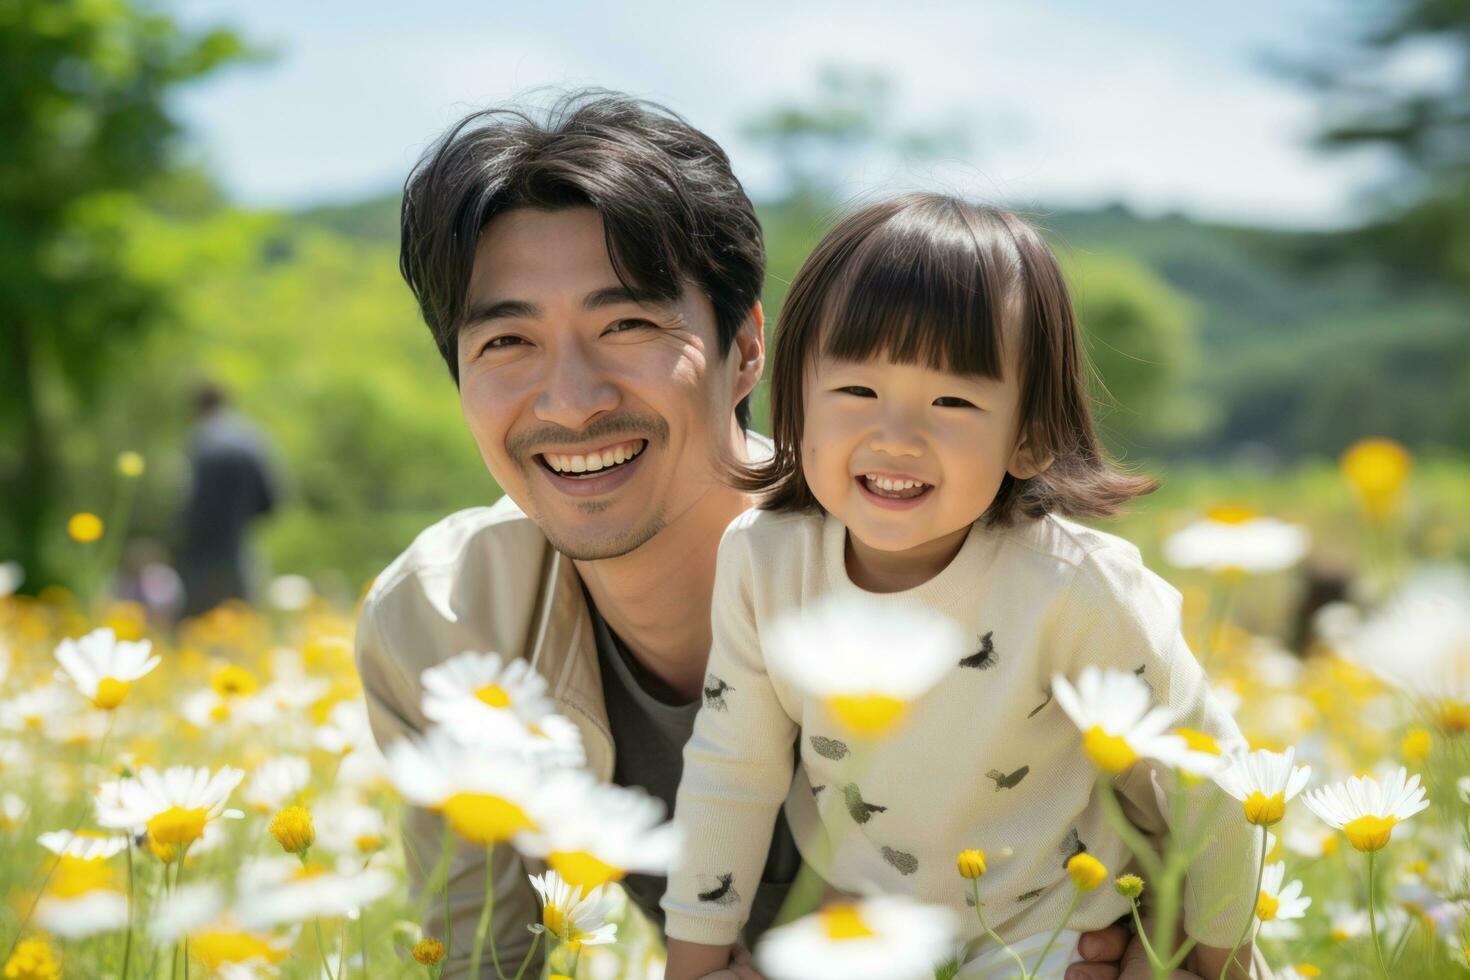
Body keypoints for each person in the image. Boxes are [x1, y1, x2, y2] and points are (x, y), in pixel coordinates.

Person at [359, 89, 1207, 979]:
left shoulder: (971, 566)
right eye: (506, 343)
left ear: (750, 349)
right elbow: (479, 961)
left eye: (628, 325)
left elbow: (1202, 831)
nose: (572, 399)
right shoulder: (440, 625)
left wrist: (1179, 952)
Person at [661, 196, 1266, 979]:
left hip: (1055, 943)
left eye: (953, 401)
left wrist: (1205, 965)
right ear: (796, 399)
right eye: (855, 392)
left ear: (1030, 436)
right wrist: (696, 966)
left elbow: (1212, 779)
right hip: (869, 946)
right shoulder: (764, 561)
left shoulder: (1077, 591)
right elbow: (731, 769)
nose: (897, 436)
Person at [176, 382, 279, 618]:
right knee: (242, 626)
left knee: (196, 632)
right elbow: (271, 500)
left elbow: (184, 501)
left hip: (198, 554)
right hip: (240, 549)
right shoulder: (254, 439)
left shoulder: (199, 439)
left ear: (198, 406)